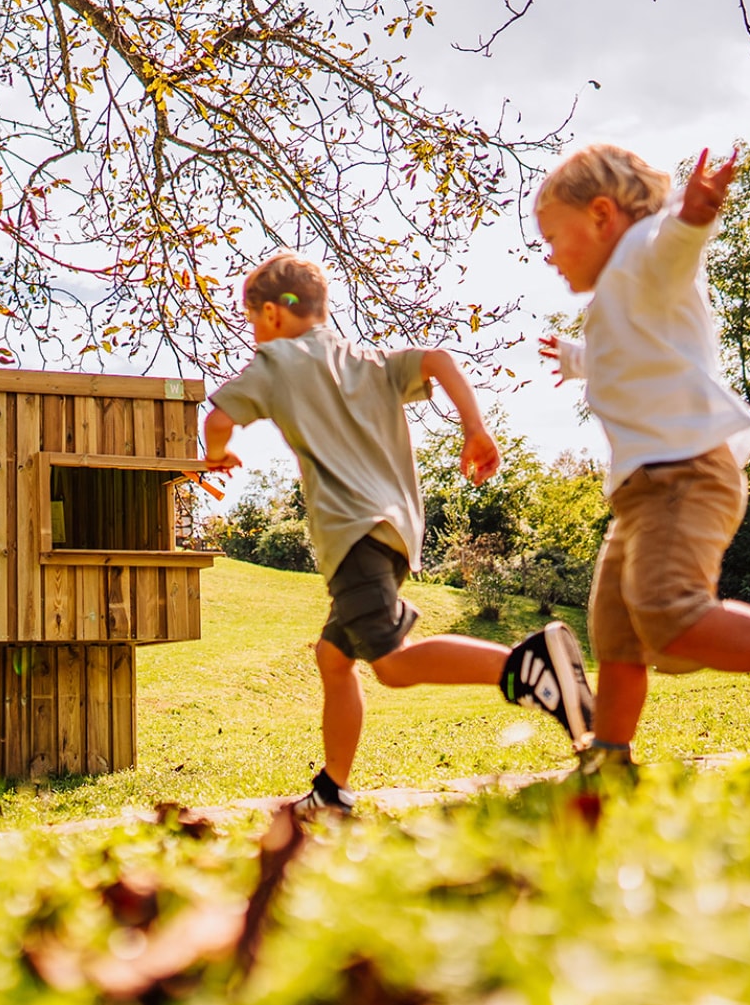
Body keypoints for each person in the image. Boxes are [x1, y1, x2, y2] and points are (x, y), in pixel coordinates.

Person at [535, 143, 750, 775]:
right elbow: (629, 354)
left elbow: (675, 243)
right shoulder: (619, 296)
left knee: (668, 611)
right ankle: (609, 754)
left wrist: (695, 212)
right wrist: (573, 356)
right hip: (643, 492)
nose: (549, 253)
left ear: (601, 215)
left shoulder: (646, 250)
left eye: (554, 236)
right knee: (615, 631)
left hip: (685, 474)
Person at [202, 252, 594, 815]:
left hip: (352, 533)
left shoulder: (275, 364)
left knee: (392, 665)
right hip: (396, 530)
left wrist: (219, 455)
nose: (253, 332)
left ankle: (528, 667)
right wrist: (475, 430)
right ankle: (332, 791)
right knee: (333, 659)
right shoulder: (363, 358)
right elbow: (436, 359)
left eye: (251, 321)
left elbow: (217, 419)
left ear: (272, 314)